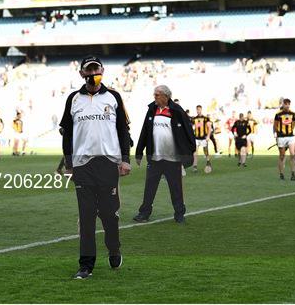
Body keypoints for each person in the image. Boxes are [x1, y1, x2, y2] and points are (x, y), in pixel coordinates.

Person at [60, 55, 131, 280]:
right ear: (81, 73)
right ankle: (86, 265)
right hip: (83, 166)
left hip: (108, 163)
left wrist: (125, 159)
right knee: (87, 216)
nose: (92, 74)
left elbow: (123, 131)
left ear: (103, 71)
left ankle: (114, 248)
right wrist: (69, 163)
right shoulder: (73, 99)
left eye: (96, 69)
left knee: (109, 214)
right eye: (88, 70)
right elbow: (67, 134)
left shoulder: (114, 97)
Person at [133, 85, 195, 224]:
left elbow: (188, 132)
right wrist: (139, 152)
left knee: (176, 189)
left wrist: (189, 152)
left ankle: (179, 214)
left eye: (157, 95)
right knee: (149, 188)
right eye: (154, 95)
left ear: (166, 96)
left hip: (173, 159)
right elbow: (145, 131)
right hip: (155, 158)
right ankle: (144, 213)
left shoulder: (177, 111)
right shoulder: (152, 110)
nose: (154, 97)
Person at [274, 99, 295, 180]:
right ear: (283, 104)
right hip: (281, 137)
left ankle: (293, 174)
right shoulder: (278, 114)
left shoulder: (293, 114)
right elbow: (275, 125)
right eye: (286, 104)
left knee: (293, 154)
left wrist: (290, 132)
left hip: (290, 137)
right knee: (282, 156)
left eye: (288, 104)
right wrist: (278, 133)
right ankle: (281, 173)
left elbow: (293, 125)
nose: (287, 105)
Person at [191, 105, 212, 173]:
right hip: (196, 138)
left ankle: (208, 161)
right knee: (195, 152)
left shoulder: (206, 118)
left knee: (205, 151)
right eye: (197, 109)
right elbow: (191, 128)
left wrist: (208, 136)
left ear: (201, 110)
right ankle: (195, 166)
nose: (198, 111)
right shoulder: (194, 119)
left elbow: (209, 128)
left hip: (204, 138)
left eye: (199, 109)